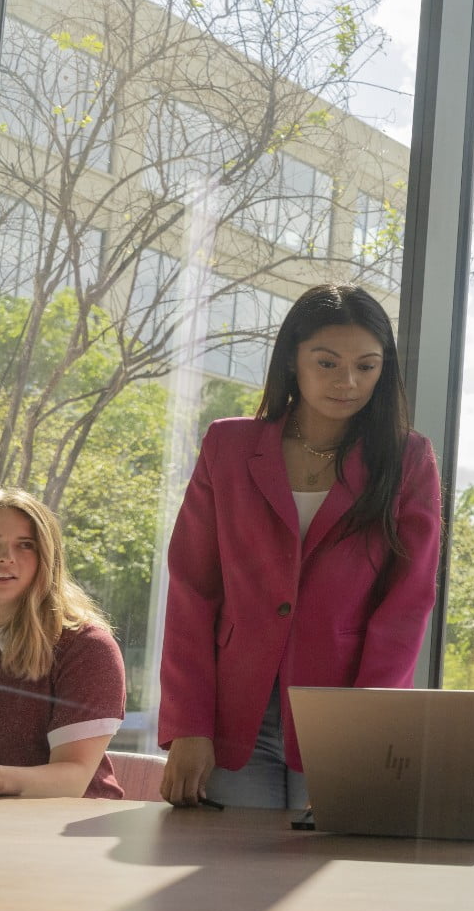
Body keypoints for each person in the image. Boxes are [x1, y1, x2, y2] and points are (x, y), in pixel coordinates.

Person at [157, 284, 443, 809]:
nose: (348, 381)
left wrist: (367, 729)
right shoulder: (228, 446)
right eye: (328, 363)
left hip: (343, 715)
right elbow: (193, 591)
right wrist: (188, 725)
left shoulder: (408, 459)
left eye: (367, 365)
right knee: (228, 878)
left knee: (331, 879)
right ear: (293, 359)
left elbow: (406, 606)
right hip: (232, 716)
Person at [0, 489, 125, 799]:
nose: (6, 557)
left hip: (64, 833)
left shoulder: (87, 648)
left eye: (25, 545)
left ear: (47, 560)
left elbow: (74, 778)